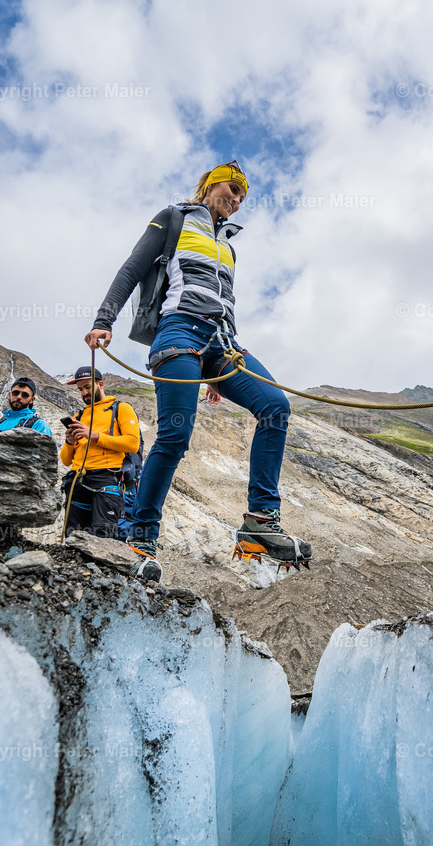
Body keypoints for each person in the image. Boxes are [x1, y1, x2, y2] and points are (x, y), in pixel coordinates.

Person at [83, 160, 311, 581]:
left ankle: (260, 522)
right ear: (209, 185)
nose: (236, 199)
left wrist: (225, 363)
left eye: (242, 196)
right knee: (175, 435)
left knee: (275, 406)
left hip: (224, 344)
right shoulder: (173, 218)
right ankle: (140, 537)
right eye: (232, 189)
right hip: (178, 332)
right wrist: (104, 319)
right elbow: (132, 268)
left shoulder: (229, 245)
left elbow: (224, 299)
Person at [60, 365, 140, 539]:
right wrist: (69, 442)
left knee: (102, 537)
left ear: (101, 384)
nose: (84, 393)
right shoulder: (78, 417)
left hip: (106, 478)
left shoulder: (121, 408)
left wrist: (94, 436)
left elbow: (133, 443)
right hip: (77, 480)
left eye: (88, 387)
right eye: (80, 389)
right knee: (72, 536)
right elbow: (66, 461)